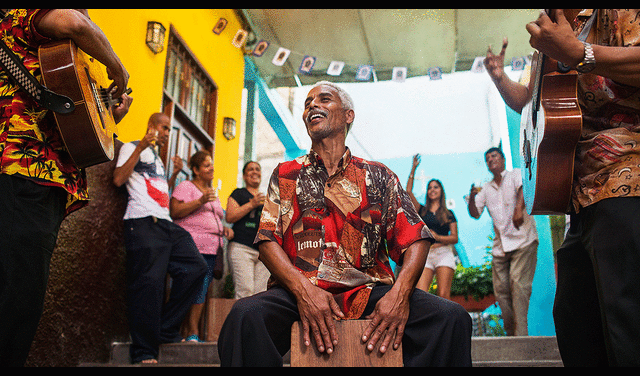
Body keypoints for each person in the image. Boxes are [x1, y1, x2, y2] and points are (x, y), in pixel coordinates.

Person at [217, 81, 472, 367]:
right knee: (243, 319)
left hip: (368, 291)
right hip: (299, 290)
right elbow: (266, 240)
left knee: (452, 319)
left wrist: (399, 296)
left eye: (324, 99)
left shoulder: (378, 176)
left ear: (348, 116)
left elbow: (415, 238)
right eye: (307, 102)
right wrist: (304, 291)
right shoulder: (286, 174)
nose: (312, 105)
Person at [484, 9, 640, 366]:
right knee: (575, 322)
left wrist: (579, 54)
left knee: (627, 326)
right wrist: (499, 78)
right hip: (580, 194)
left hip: (627, 179)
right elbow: (529, 101)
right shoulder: (556, 28)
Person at [0, 9, 131, 367]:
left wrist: (105, 115)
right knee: (18, 302)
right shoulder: (24, 15)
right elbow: (74, 23)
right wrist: (118, 67)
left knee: (20, 299)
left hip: (38, 179)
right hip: (23, 173)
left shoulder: (54, 51)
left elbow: (76, 131)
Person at [113, 113, 207, 364]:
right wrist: (141, 146)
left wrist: (174, 173)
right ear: (151, 127)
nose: (167, 132)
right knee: (149, 285)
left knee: (196, 268)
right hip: (142, 222)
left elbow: (157, 191)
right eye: (164, 128)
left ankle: (163, 329)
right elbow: (119, 178)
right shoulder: (133, 148)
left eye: (168, 129)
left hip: (164, 224)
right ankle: (144, 350)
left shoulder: (156, 158)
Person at [467, 147, 538, 336]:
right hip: (501, 247)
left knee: (518, 284)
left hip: (523, 240)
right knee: (501, 292)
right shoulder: (486, 188)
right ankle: (511, 335)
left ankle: (521, 337)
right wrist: (473, 197)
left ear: (503, 159)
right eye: (487, 159)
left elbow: (523, 187)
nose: (491, 160)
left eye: (494, 156)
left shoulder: (515, 174)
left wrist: (518, 210)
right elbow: (475, 214)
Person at [170, 150, 233, 342]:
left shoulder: (212, 192)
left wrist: (223, 229)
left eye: (211, 163)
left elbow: (209, 217)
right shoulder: (186, 186)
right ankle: (188, 331)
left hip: (212, 249)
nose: (211, 167)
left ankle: (190, 332)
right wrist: (200, 200)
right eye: (206, 165)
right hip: (192, 247)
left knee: (202, 289)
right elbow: (175, 211)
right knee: (189, 287)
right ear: (196, 170)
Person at [406, 154, 459, 299]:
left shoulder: (449, 213)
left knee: (443, 295)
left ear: (441, 190)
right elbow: (408, 192)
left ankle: (445, 322)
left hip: (444, 252)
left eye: (436, 187)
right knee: (421, 294)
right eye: (430, 188)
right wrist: (413, 169)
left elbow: (455, 238)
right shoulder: (422, 210)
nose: (432, 190)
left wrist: (437, 237)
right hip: (426, 254)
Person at [225, 161, 270, 299]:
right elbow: (230, 217)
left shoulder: (268, 198)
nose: (255, 171)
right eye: (250, 169)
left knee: (260, 294)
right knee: (244, 291)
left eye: (257, 169)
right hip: (241, 248)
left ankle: (254, 321)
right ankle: (241, 321)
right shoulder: (238, 194)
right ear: (244, 176)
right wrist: (251, 204)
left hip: (264, 252)